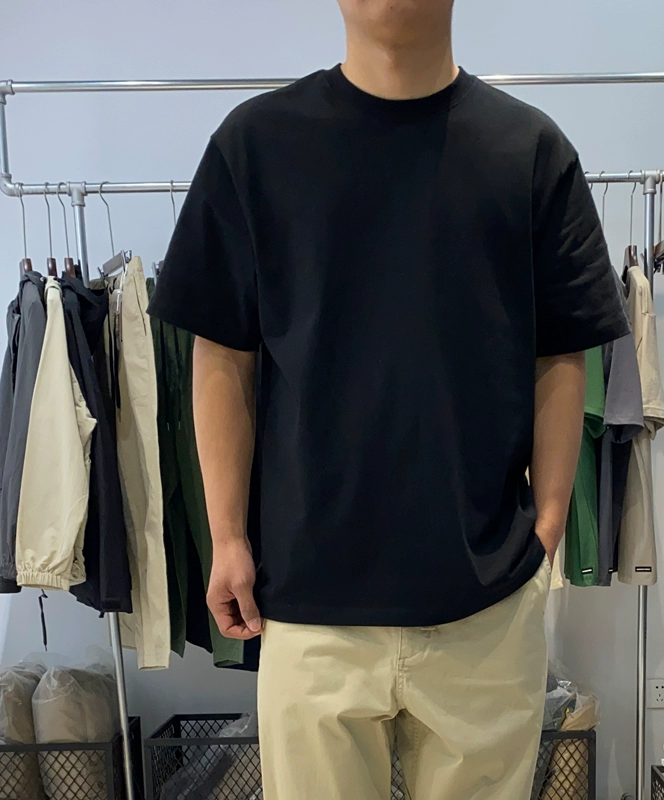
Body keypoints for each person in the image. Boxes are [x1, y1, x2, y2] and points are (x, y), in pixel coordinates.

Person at [149, 1, 629, 797]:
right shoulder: (256, 146)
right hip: (309, 603)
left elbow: (561, 350)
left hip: (483, 606)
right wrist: (226, 537)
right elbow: (222, 352)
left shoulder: (530, 152)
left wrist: (546, 526)